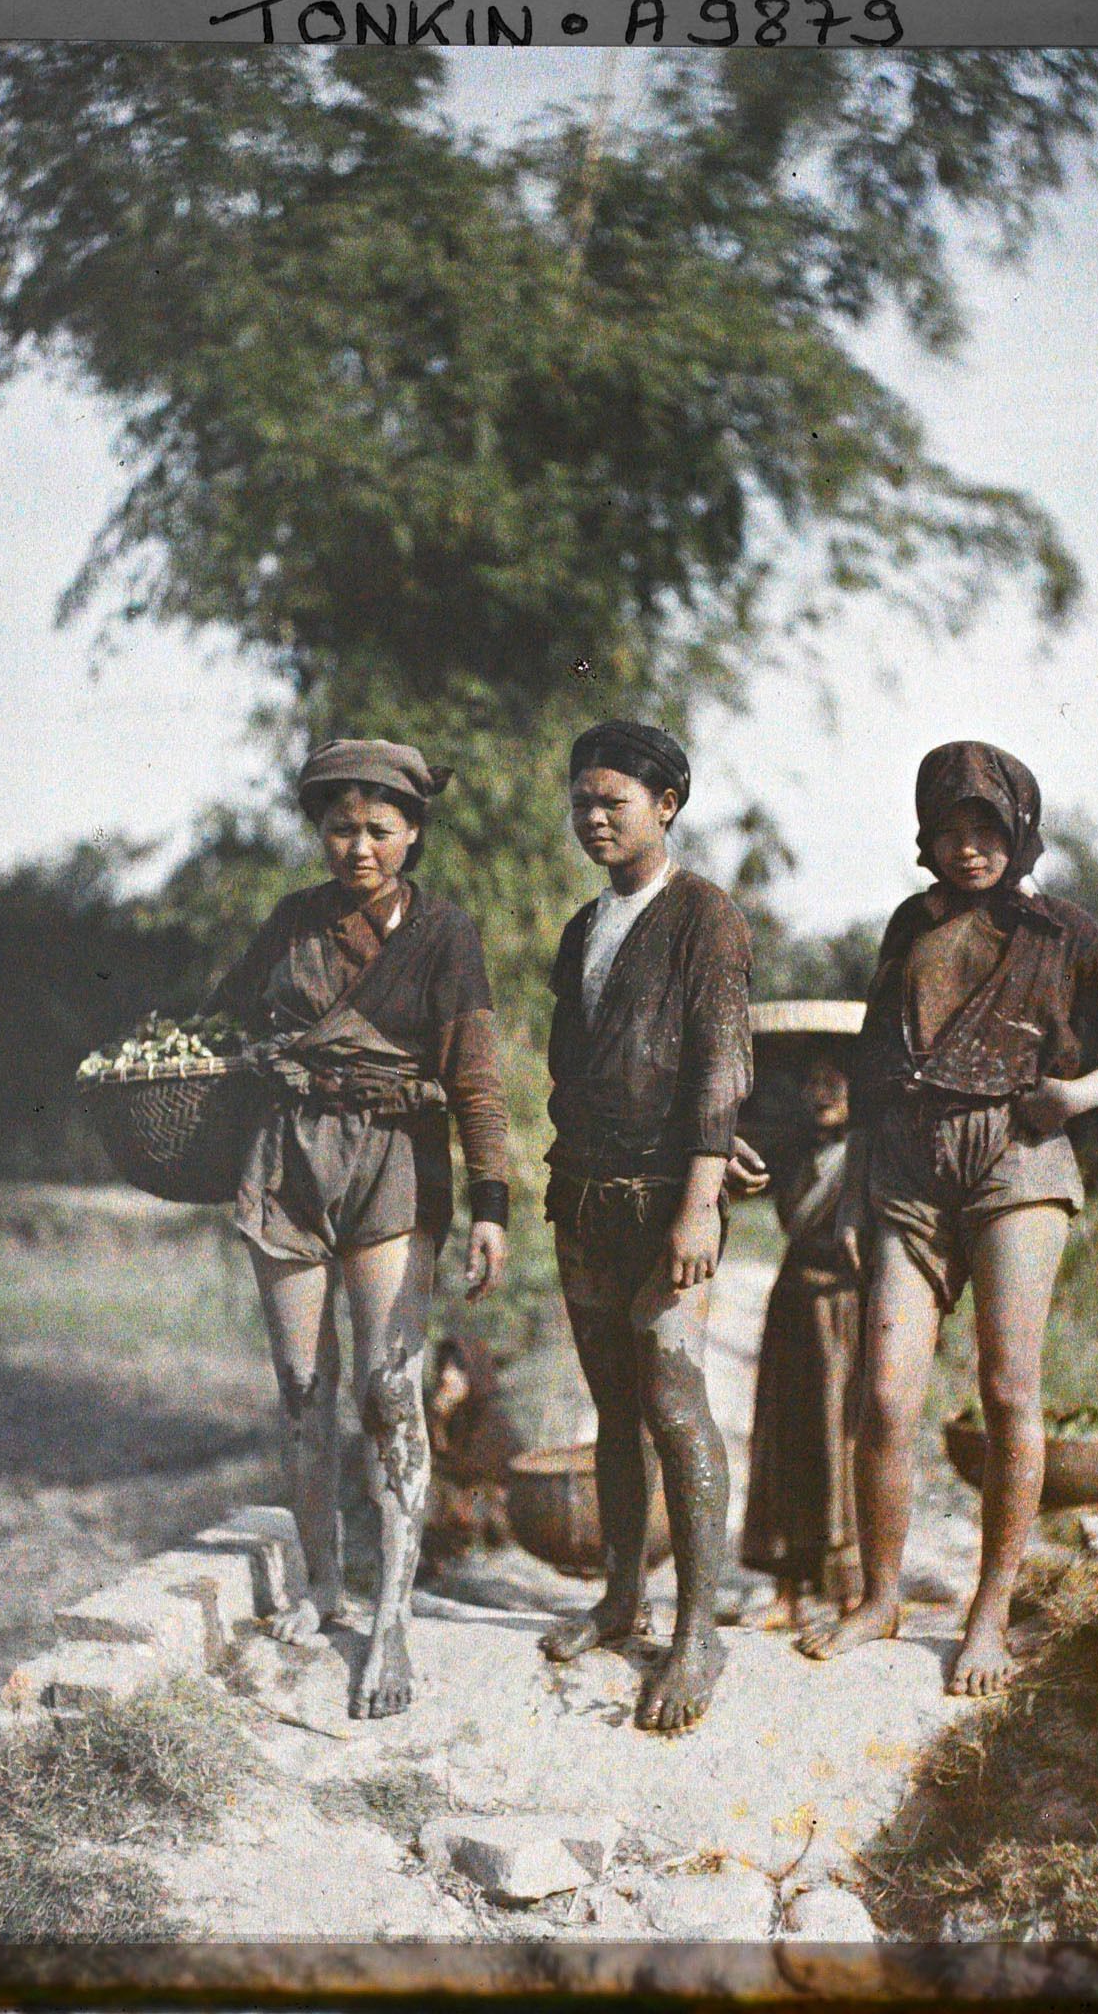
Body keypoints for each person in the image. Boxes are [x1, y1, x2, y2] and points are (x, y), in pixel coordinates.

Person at [799, 741, 1098, 1696]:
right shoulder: (904, 927)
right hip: (907, 1169)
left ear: (1018, 832)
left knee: (1010, 1391)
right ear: (925, 840)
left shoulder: (1065, 932)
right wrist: (852, 1195)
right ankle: (880, 1597)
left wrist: (1080, 1091)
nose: (969, 849)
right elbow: (876, 1075)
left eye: (987, 829)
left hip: (1017, 1158)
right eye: (950, 830)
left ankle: (988, 1616)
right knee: (883, 1395)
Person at [208, 738, 509, 1719]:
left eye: (381, 828)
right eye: (341, 826)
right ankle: (320, 1588)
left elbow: (474, 1076)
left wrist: (492, 1203)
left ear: (413, 833)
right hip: (288, 1161)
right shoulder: (292, 922)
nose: (360, 845)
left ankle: (390, 1618)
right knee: (303, 1386)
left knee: (389, 1390)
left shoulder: (445, 933)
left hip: (395, 1159)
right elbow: (220, 1022)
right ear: (320, 830)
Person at [540, 719, 753, 1733]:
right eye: (581, 799)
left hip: (667, 1203)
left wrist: (699, 1200)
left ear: (665, 805)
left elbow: (720, 1068)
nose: (593, 816)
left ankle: (697, 1630)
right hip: (582, 1197)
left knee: (673, 1403)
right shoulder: (584, 926)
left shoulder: (704, 916)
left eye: (612, 800)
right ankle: (622, 1601)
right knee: (611, 1411)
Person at [737, 1043, 863, 1629]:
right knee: (786, 1437)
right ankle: (786, 1590)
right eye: (814, 1080)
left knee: (843, 1437)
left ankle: (848, 1591)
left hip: (848, 1305)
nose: (825, 1092)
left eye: (837, 1079)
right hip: (793, 1301)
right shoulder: (786, 1153)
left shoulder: (870, 1156)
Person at [421, 1332, 521, 1566]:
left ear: (473, 1373)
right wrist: (437, 1420)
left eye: (457, 1369)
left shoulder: (489, 1418)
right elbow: (431, 1459)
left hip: (496, 1517)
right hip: (460, 1513)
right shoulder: (448, 1415)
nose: (447, 1376)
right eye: (444, 1368)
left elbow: (470, 1471)